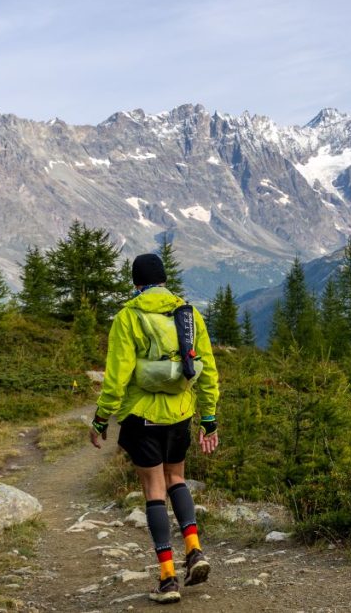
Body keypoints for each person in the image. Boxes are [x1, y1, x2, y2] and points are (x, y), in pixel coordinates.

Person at [89, 253, 220, 604]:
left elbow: (116, 377)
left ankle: (167, 577)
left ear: (136, 283)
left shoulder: (128, 317)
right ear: (164, 280)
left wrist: (101, 419)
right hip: (180, 414)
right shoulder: (188, 314)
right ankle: (194, 550)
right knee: (177, 478)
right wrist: (208, 418)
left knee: (154, 490)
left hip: (142, 416)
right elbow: (205, 369)